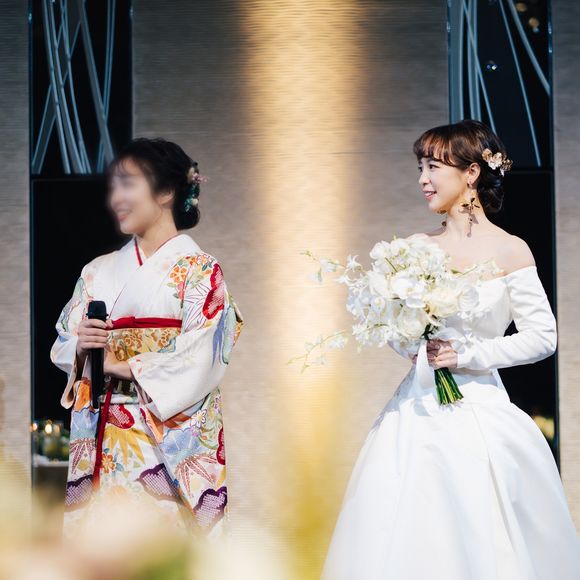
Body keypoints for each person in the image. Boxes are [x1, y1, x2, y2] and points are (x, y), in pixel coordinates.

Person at [321, 120, 580, 579]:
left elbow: (543, 337)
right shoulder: (414, 249)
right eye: (420, 167)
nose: (423, 178)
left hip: (481, 405)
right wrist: (408, 337)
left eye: (434, 166)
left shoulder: (511, 251)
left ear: (472, 173)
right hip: (416, 406)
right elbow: (397, 330)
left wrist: (467, 355)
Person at [50, 137, 244, 542]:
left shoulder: (200, 270)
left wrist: (120, 365)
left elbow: (204, 353)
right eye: (114, 186)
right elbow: (63, 340)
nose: (116, 198)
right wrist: (81, 347)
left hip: (164, 435)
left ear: (166, 190)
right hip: (103, 432)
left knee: (162, 548)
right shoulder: (97, 271)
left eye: (128, 184)